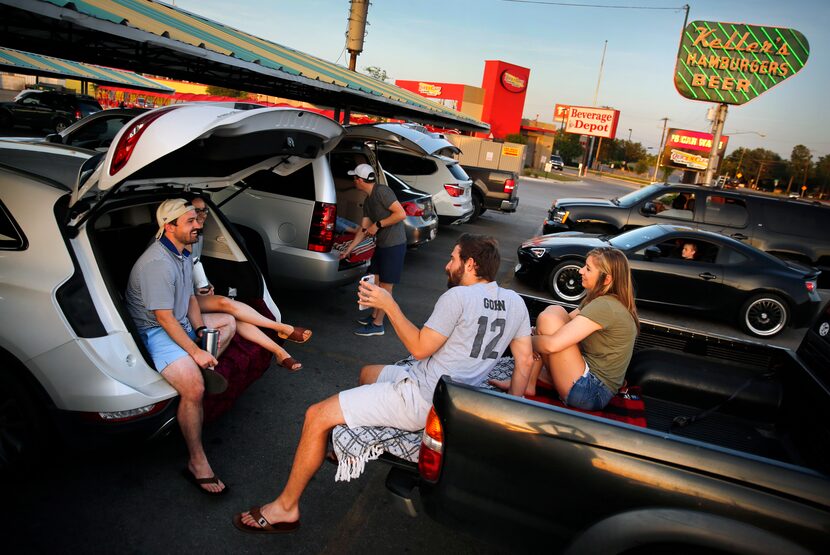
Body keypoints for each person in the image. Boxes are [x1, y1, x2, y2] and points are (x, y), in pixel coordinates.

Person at [233, 234, 534, 533]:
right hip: (444, 390)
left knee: (316, 416)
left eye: (452, 258)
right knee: (368, 373)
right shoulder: (515, 303)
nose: (446, 265)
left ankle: (285, 509)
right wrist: (505, 413)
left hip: (421, 398)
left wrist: (389, 305)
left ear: (470, 264)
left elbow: (418, 348)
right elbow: (524, 363)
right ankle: (341, 448)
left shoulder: (457, 297)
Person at [125, 199, 237, 495]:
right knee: (194, 389)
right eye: (190, 221)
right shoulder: (156, 263)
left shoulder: (183, 251)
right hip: (157, 332)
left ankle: (199, 369)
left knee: (228, 322)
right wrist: (195, 350)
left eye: (196, 219)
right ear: (168, 226)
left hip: (180, 323)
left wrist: (200, 329)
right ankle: (197, 462)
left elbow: (188, 298)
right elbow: (163, 319)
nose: (198, 225)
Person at [493, 247, 639, 411]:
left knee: (549, 322)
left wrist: (521, 340)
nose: (581, 271)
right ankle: (529, 384)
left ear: (606, 279)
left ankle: (526, 381)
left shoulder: (606, 306)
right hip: (588, 380)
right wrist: (535, 333)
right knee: (554, 312)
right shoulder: (598, 299)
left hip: (591, 391)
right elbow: (563, 323)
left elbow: (551, 345)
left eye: (588, 269)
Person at [188, 195, 311, 371]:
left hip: (193, 293)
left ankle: (279, 352)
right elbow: (189, 264)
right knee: (224, 303)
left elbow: (195, 263)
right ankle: (282, 328)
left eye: (205, 210)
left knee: (232, 312)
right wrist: (201, 285)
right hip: (182, 298)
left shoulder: (197, 233)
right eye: (197, 211)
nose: (203, 215)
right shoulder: (180, 238)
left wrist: (206, 283)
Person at [339, 163, 407, 337]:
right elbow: (364, 229)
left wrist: (378, 224)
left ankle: (378, 325)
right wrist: (349, 249)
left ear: (360, 180)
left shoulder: (382, 192)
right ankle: (375, 316)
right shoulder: (369, 200)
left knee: (386, 286)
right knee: (376, 282)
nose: (353, 181)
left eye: (354, 178)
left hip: (394, 245)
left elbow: (400, 214)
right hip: (382, 245)